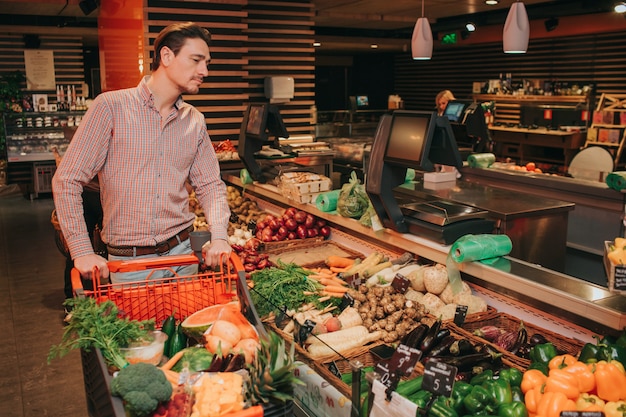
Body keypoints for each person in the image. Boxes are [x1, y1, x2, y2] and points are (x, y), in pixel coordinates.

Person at [52, 22, 231, 284]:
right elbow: (66, 179)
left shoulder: (194, 120)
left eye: (207, 62)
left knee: (184, 325)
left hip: (183, 256)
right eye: (196, 60)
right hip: (130, 263)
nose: (204, 71)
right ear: (166, 56)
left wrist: (220, 236)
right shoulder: (110, 108)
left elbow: (210, 186)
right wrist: (81, 251)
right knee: (137, 327)